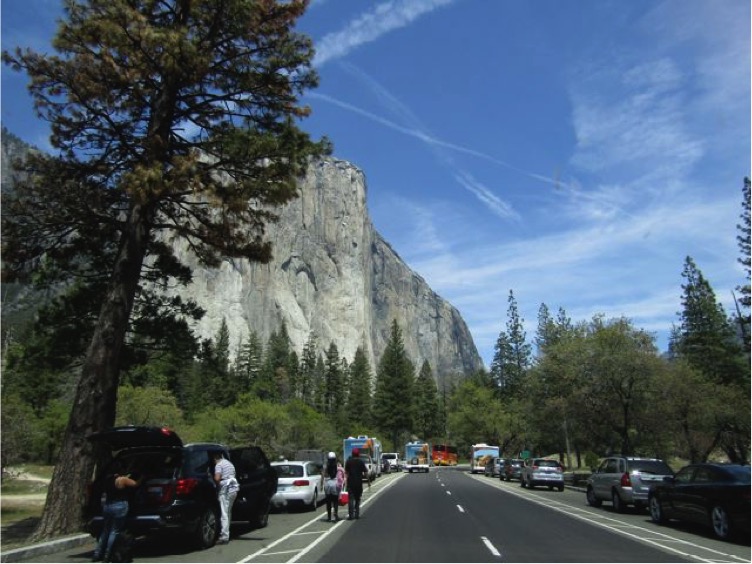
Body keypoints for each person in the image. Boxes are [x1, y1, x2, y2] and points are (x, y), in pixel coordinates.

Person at [93, 462, 140, 562]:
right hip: (119, 506)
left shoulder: (106, 480)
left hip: (107, 506)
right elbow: (135, 484)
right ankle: (108, 554)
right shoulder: (122, 480)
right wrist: (143, 477)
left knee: (105, 531)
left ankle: (97, 554)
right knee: (114, 531)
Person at [212, 451, 239, 544]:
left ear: (215, 458)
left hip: (225, 490)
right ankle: (227, 533)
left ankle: (224, 536)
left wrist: (212, 478)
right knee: (228, 512)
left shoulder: (219, 465)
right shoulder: (229, 463)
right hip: (234, 489)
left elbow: (217, 478)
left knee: (224, 514)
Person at [344, 447, 368, 520]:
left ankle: (351, 515)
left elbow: (346, 473)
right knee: (357, 499)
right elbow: (366, 472)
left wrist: (345, 483)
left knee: (351, 499)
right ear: (358, 454)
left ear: (352, 454)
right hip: (358, 483)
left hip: (351, 483)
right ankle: (357, 514)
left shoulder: (348, 461)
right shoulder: (361, 462)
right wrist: (368, 481)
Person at [323, 451, 345, 522]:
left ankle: (329, 517)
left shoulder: (326, 466)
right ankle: (335, 515)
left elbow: (324, 474)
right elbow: (339, 474)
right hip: (334, 483)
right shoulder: (337, 466)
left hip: (327, 483)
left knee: (328, 501)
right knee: (335, 501)